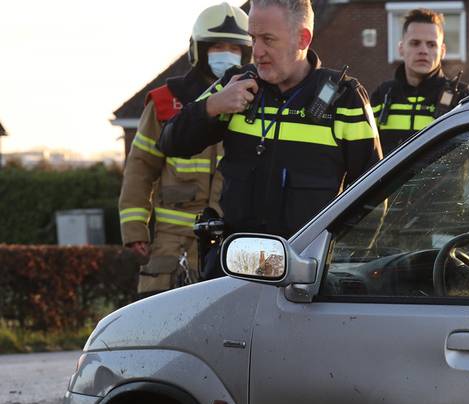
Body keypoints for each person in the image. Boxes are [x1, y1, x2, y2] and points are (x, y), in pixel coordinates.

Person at [158, 0, 382, 278]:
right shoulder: (236, 84)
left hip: (306, 277)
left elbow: (374, 196)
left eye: (268, 39)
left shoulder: (344, 99)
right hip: (235, 271)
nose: (257, 51)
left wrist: (342, 270)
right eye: (253, 38)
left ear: (303, 38)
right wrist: (213, 105)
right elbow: (169, 142)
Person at [119, 3, 251, 295]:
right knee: (160, 315)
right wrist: (135, 229)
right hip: (172, 244)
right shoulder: (166, 102)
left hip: (233, 243)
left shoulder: (256, 101)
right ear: (198, 50)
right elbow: (140, 167)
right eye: (217, 46)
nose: (226, 53)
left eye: (234, 47)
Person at [370, 9, 469, 154]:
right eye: (415, 43)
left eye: (431, 44)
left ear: (442, 51)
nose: (423, 50)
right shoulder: (382, 95)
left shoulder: (462, 100)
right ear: (401, 48)